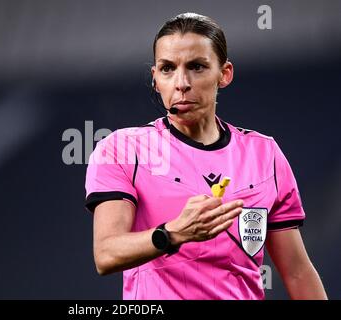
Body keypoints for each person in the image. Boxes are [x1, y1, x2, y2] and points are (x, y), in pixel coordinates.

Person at [84, 12, 327, 300]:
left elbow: (297, 271)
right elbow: (106, 254)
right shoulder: (122, 149)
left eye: (197, 67)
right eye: (167, 68)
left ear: (224, 74)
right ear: (155, 79)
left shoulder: (264, 154)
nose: (181, 82)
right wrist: (173, 233)